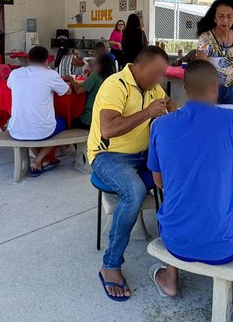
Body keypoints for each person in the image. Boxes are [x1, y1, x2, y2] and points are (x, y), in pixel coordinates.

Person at [148, 60, 233, 297]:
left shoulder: (160, 126)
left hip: (175, 241)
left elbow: (159, 183)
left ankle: (170, 277)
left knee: (179, 200)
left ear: (186, 90)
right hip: (223, 248)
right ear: (216, 88)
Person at [88, 46, 176, 300]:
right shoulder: (116, 85)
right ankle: (110, 265)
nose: (160, 80)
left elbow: (169, 103)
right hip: (107, 156)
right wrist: (148, 112)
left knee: (178, 179)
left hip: (142, 155)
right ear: (140, 66)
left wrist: (179, 112)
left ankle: (174, 256)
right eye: (157, 73)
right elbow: (108, 129)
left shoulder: (151, 87)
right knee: (134, 191)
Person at [7, 46, 72, 176]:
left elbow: (9, 85)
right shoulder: (50, 74)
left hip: (16, 130)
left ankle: (43, 159)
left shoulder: (15, 73)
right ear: (47, 61)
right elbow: (68, 91)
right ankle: (38, 160)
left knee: (23, 123)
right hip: (42, 130)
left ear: (29, 60)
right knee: (64, 123)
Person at [195, 0, 233, 104]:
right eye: (221, 16)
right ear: (214, 18)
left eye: (229, 17)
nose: (225, 20)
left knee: (228, 117)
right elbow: (200, 65)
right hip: (209, 89)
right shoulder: (206, 38)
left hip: (230, 88)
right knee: (211, 118)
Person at [66, 54, 116, 130]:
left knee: (68, 122)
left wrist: (71, 79)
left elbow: (78, 91)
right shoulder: (113, 78)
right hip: (105, 119)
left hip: (89, 119)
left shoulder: (96, 76)